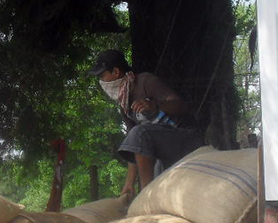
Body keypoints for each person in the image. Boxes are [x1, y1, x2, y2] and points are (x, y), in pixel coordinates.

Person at [87, 49, 203, 198]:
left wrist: (155, 105)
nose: (101, 82)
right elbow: (136, 146)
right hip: (165, 149)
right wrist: (129, 183)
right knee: (155, 168)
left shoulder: (145, 81)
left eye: (102, 76)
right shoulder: (124, 103)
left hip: (187, 137)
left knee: (139, 132)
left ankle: (146, 195)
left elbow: (181, 105)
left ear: (115, 72)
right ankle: (149, 193)